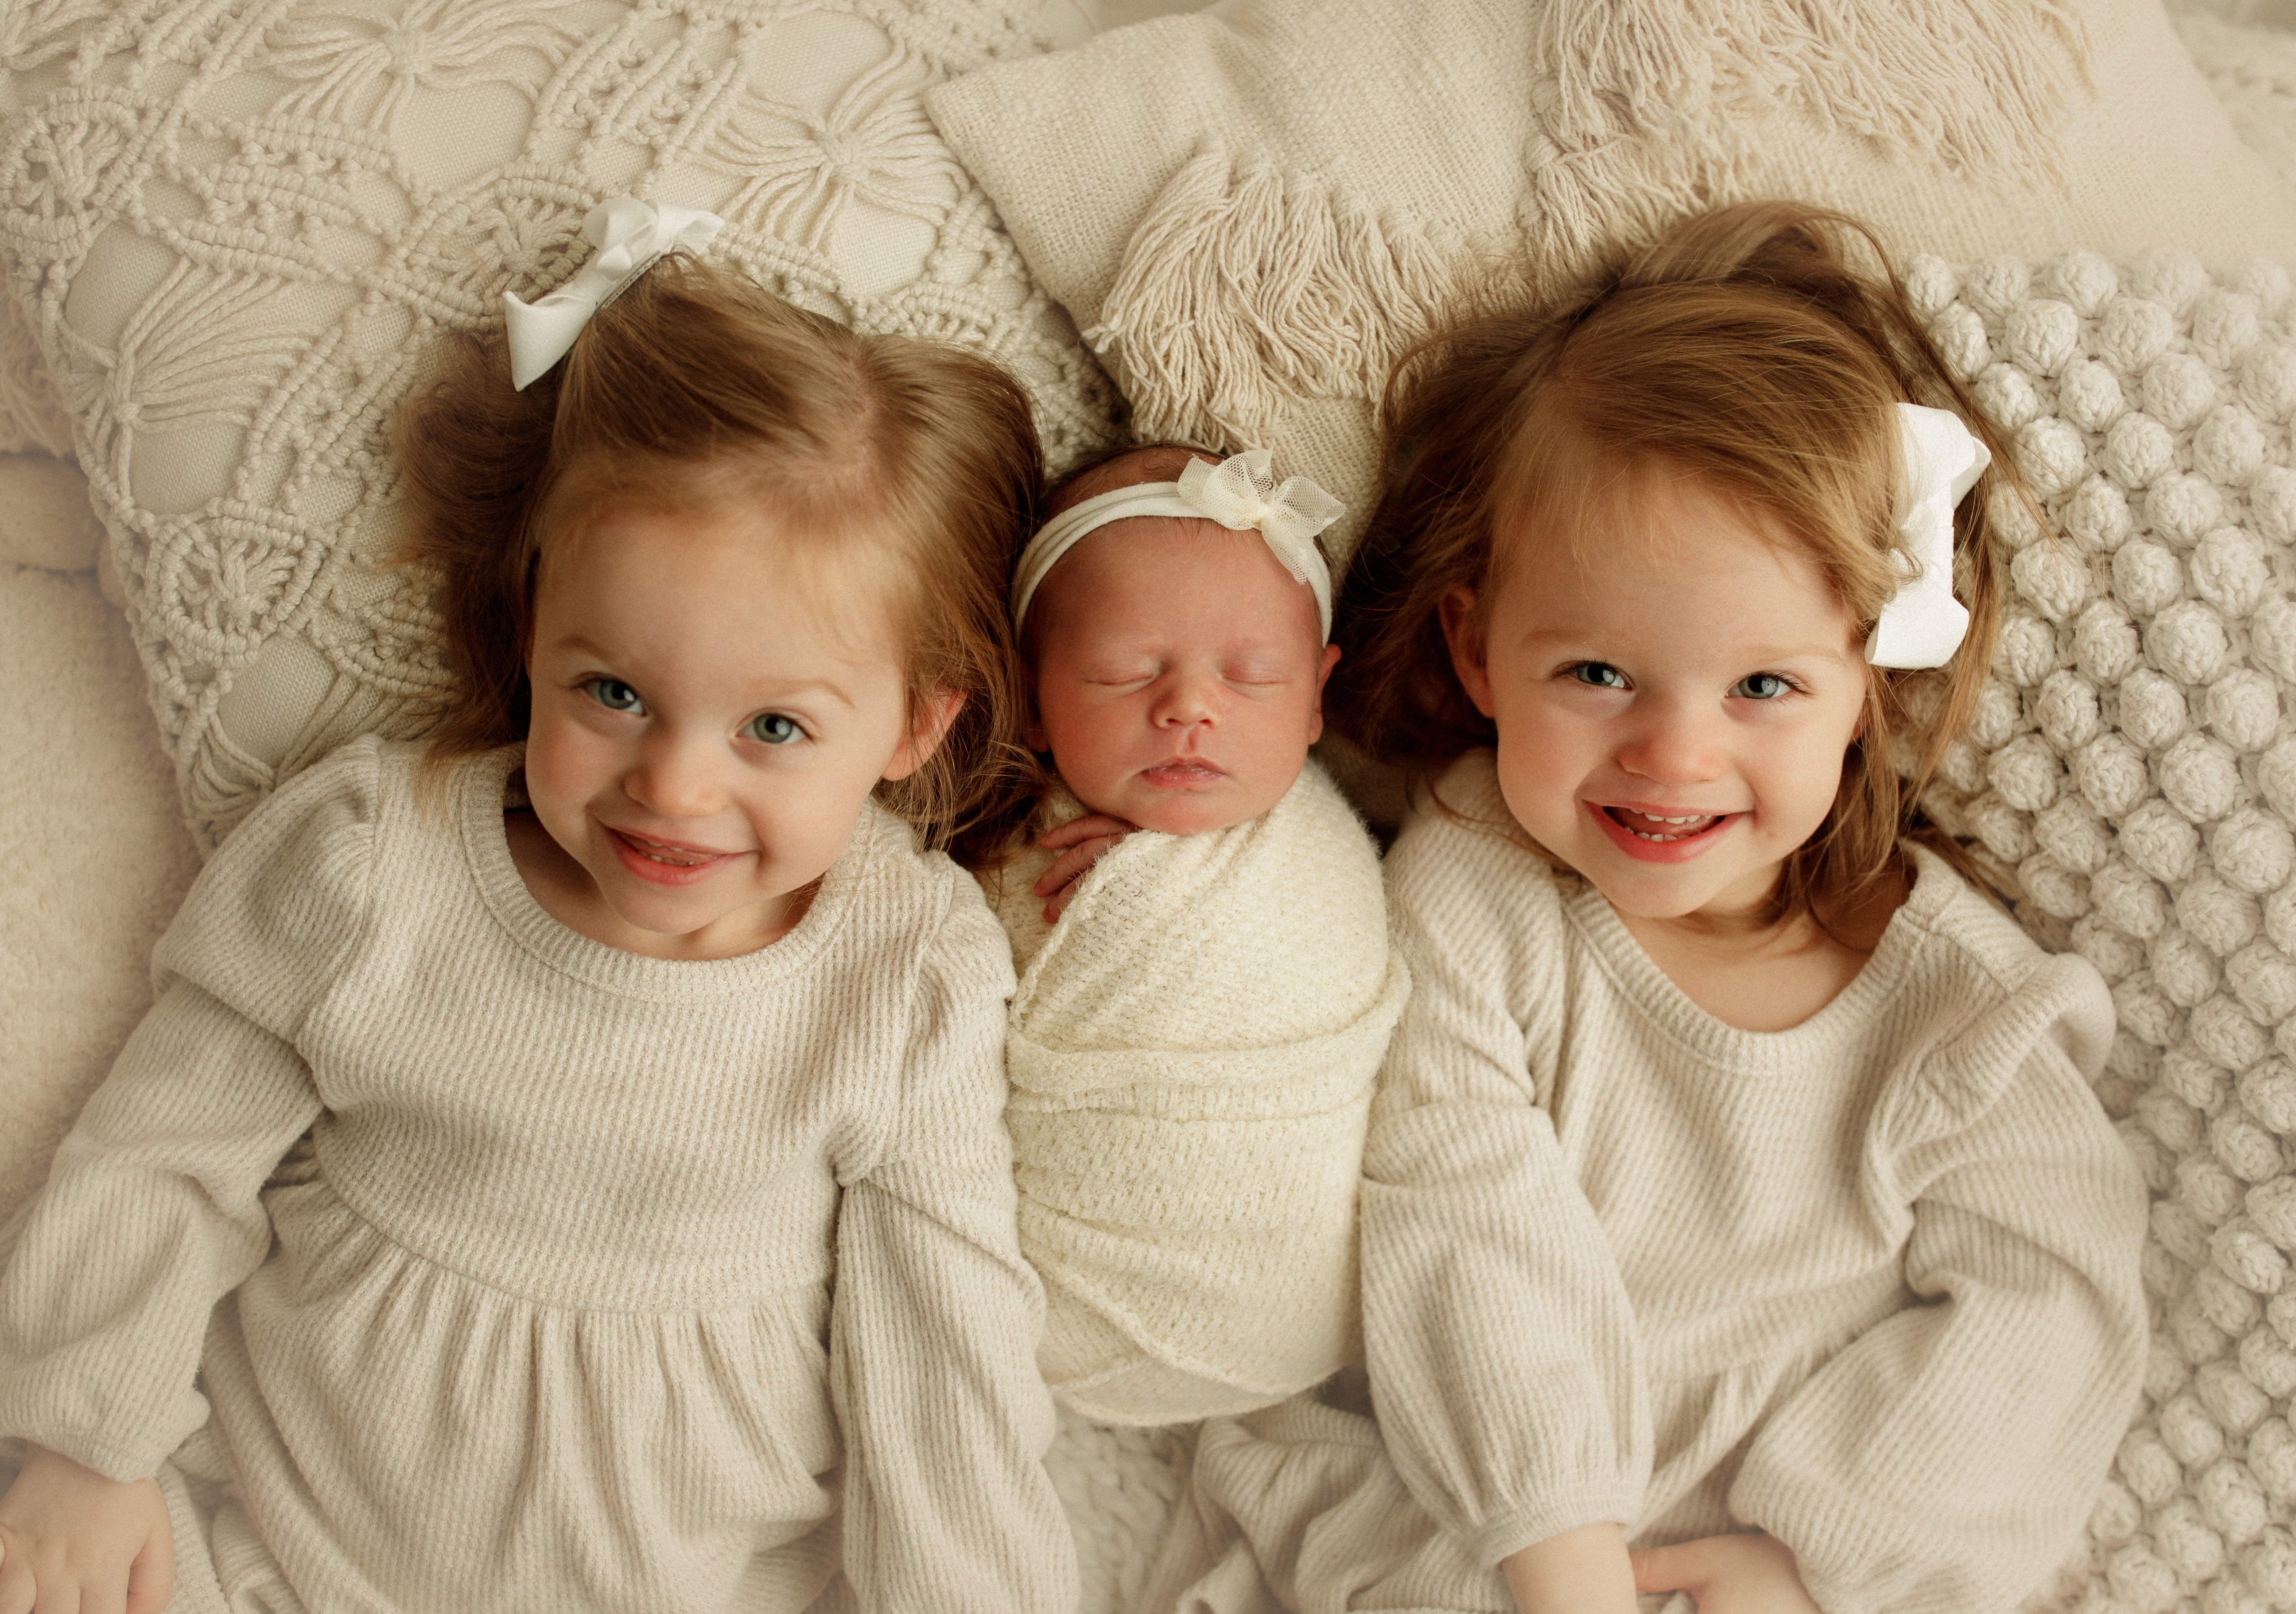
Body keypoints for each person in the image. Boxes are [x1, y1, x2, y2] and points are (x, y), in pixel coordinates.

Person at [0, 200, 1076, 1614]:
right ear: (533, 626)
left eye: (774, 726)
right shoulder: (369, 862)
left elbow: (946, 1343)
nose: (674, 786)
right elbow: (164, 1149)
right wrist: (88, 1442)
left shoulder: (903, 970)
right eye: (613, 692)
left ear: (913, 728)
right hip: (281, 1530)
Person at [1145, 201, 2149, 1614]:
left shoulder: (1960, 1014)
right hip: (1477, 1511)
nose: (1672, 756)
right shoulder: (1481, 889)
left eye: (1763, 687)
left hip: (1780, 1559)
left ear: (1870, 680)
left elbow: (2056, 1310)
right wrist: (1557, 1556)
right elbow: (1462, 1210)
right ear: (1477, 647)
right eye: (1600, 675)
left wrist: (1818, 1561)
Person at [981, 444, 1408, 1427]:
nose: (1187, 707)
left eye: (1253, 676)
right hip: (1060, 1315)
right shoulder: (998, 850)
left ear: (1315, 700)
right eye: (1125, 673)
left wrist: (1159, 885)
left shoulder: (1323, 848)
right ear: (1034, 696)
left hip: (1309, 1310)